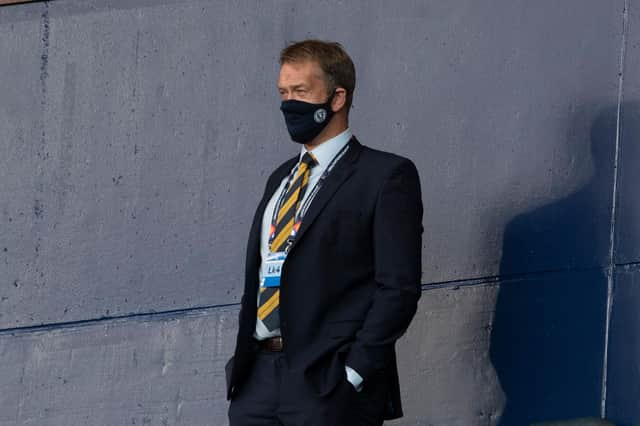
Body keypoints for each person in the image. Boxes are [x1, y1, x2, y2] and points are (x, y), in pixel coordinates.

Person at [225, 39, 424, 426]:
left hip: (327, 384)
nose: (289, 103)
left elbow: (398, 288)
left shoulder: (385, 177)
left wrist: (353, 374)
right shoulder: (279, 179)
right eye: (283, 92)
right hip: (258, 382)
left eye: (301, 91)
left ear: (337, 98)